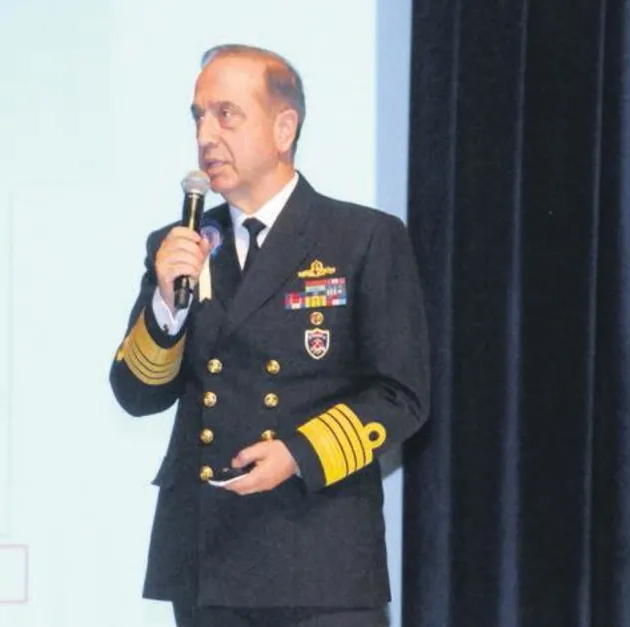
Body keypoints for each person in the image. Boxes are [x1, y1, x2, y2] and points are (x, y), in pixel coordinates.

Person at [109, 43, 430, 627]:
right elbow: (136, 395)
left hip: (319, 553)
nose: (205, 136)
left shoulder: (360, 237)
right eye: (198, 117)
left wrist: (297, 454)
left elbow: (400, 395)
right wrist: (166, 305)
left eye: (226, 115)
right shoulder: (179, 243)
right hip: (208, 553)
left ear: (284, 128)